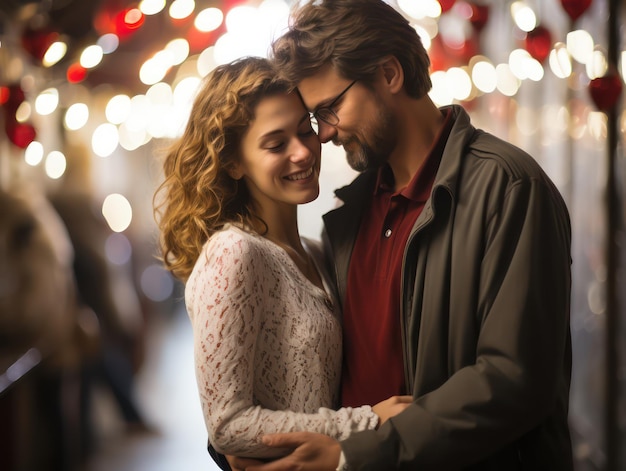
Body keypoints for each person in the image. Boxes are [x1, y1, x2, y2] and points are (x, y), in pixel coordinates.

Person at [231, 1, 574, 470]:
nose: (325, 135)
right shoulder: (349, 216)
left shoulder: (509, 188)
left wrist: (353, 455)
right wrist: (246, 443)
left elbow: (514, 382)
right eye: (317, 118)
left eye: (330, 108)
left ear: (389, 74)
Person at [154, 56, 410, 463]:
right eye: (276, 144)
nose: (303, 152)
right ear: (234, 163)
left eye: (304, 130)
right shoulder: (234, 253)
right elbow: (227, 425)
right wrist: (367, 422)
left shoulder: (316, 250)